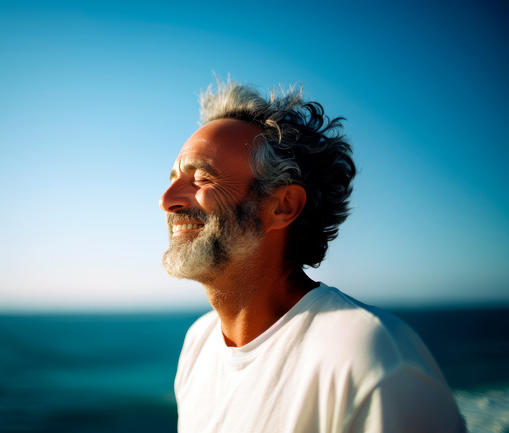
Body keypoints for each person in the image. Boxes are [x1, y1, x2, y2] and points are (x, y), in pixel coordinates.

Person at [160, 80, 466, 432]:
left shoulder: (368, 355)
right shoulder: (199, 344)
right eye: (172, 178)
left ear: (282, 206)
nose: (166, 200)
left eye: (201, 178)